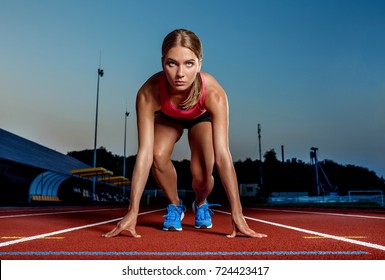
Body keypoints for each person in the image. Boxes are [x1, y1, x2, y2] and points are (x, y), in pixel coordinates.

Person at [103, 29, 267, 238]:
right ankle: (175, 205)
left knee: (202, 174)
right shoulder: (149, 93)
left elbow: (223, 156)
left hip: (201, 117)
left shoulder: (214, 93)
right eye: (172, 63)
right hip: (168, 116)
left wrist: (238, 213)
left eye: (188, 64)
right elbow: (143, 154)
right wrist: (132, 211)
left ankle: (200, 203)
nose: (180, 74)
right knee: (156, 154)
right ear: (163, 62)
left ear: (199, 63)